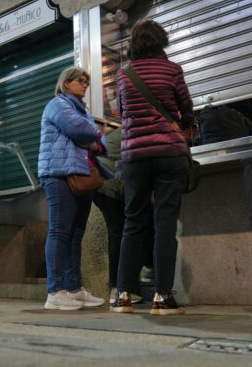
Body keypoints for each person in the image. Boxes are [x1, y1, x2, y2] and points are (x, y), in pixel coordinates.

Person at [111, 19, 194, 315]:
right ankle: (162, 296)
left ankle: (122, 294)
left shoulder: (123, 73)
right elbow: (186, 108)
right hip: (169, 153)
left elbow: (120, 111)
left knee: (132, 223)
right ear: (162, 41)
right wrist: (184, 126)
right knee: (165, 223)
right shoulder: (172, 70)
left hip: (134, 156)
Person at [38, 67, 109, 310]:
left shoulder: (82, 112)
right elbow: (79, 130)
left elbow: (102, 144)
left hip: (82, 175)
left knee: (77, 234)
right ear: (66, 83)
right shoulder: (57, 105)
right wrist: (96, 133)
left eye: (87, 82)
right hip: (58, 175)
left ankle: (74, 289)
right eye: (80, 81)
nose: (85, 85)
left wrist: (95, 138)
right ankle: (55, 291)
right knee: (60, 231)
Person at [93, 127, 153, 305]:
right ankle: (121, 289)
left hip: (100, 180)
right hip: (111, 183)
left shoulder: (127, 127)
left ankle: (119, 288)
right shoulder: (143, 130)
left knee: (119, 233)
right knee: (122, 234)